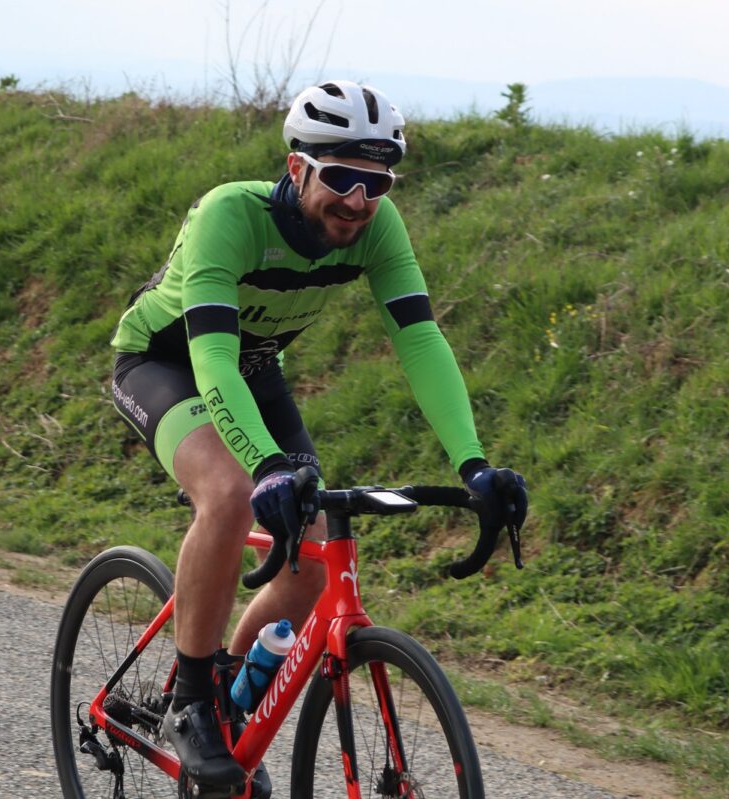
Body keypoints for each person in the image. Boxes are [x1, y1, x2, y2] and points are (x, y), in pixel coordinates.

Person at [109, 79, 528, 792]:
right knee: (231, 493)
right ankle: (190, 698)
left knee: (311, 559)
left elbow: (420, 341)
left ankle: (227, 699)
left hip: (255, 369)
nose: (359, 201)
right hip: (167, 361)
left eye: (377, 183)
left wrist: (474, 465)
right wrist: (265, 465)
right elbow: (213, 356)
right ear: (297, 167)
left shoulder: (379, 229)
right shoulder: (229, 215)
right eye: (341, 178)